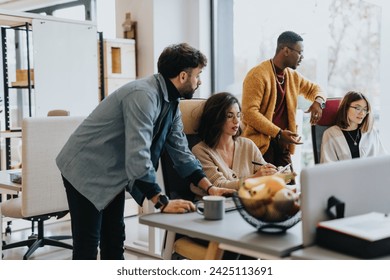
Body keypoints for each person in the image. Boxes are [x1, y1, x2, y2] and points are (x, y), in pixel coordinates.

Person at [56, 43, 235, 260]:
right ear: (182, 76)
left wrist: (211, 188)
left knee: (114, 240)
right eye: (197, 75)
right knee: (87, 247)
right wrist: (161, 201)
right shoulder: (143, 95)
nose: (199, 82)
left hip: (112, 172)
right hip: (84, 168)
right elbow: (138, 153)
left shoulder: (171, 103)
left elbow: (181, 152)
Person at [241, 31, 327, 180]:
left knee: (290, 190)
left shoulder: (292, 76)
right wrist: (279, 132)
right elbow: (249, 113)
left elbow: (316, 89)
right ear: (286, 50)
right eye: (300, 53)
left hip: (283, 145)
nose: (302, 58)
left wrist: (318, 102)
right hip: (260, 146)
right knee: (266, 193)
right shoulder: (257, 75)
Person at [191, 92, 277, 196]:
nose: (236, 121)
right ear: (215, 117)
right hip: (213, 207)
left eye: (238, 115)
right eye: (229, 116)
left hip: (245, 204)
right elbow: (218, 186)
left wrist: (272, 173)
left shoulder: (248, 145)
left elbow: (263, 174)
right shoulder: (200, 151)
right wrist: (255, 178)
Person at [321, 91, 386, 163]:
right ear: (346, 108)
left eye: (365, 109)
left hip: (372, 173)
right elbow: (328, 167)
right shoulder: (330, 134)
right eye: (358, 108)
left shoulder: (371, 131)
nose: (362, 113)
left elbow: (383, 159)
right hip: (343, 174)